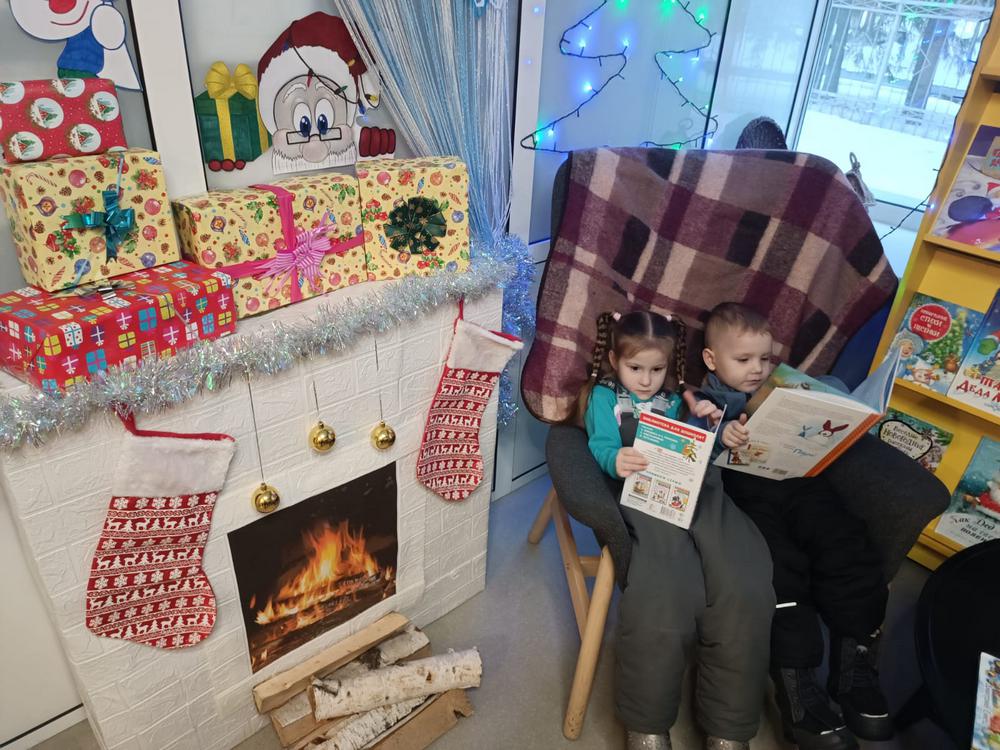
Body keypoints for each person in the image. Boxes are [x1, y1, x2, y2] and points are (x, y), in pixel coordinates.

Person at [577, 309, 776, 750]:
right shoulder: (604, 397)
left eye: (657, 369)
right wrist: (615, 459)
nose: (647, 381)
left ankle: (729, 725)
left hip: (698, 488)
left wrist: (712, 425)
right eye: (636, 369)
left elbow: (697, 444)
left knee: (742, 582)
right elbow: (601, 443)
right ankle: (646, 722)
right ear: (614, 361)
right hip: (644, 491)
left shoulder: (677, 398)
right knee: (664, 588)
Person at [700, 302, 891, 750]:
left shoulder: (779, 387)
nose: (756, 369)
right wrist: (718, 434)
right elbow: (682, 443)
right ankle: (798, 688)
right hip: (744, 493)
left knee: (849, 543)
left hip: (799, 482)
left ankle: (853, 668)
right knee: (780, 567)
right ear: (711, 359)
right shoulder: (701, 400)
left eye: (765, 359)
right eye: (743, 359)